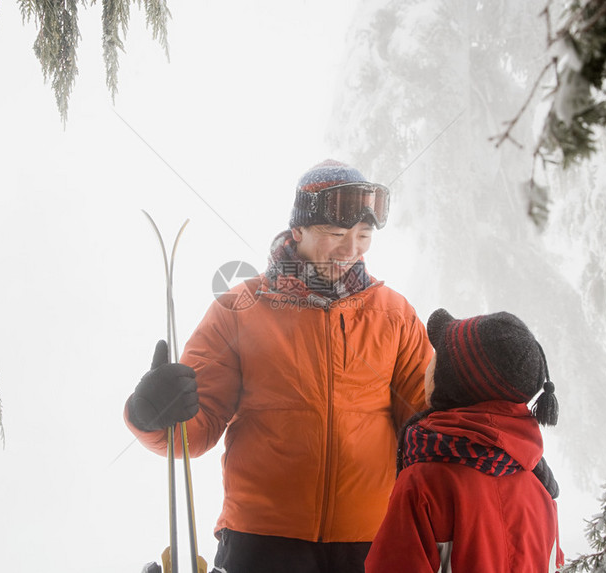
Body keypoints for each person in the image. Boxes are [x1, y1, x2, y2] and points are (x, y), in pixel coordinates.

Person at [124, 159, 433, 573]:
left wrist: (492, 441)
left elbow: (428, 423)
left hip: (372, 540)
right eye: (336, 234)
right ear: (298, 230)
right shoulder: (239, 310)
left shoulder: (394, 316)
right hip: (262, 542)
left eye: (363, 235)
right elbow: (195, 430)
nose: (351, 250)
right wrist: (153, 416)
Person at [364, 308, 565, 572]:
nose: (429, 366)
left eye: (439, 358)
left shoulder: (423, 484)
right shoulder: (540, 489)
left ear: (455, 384)